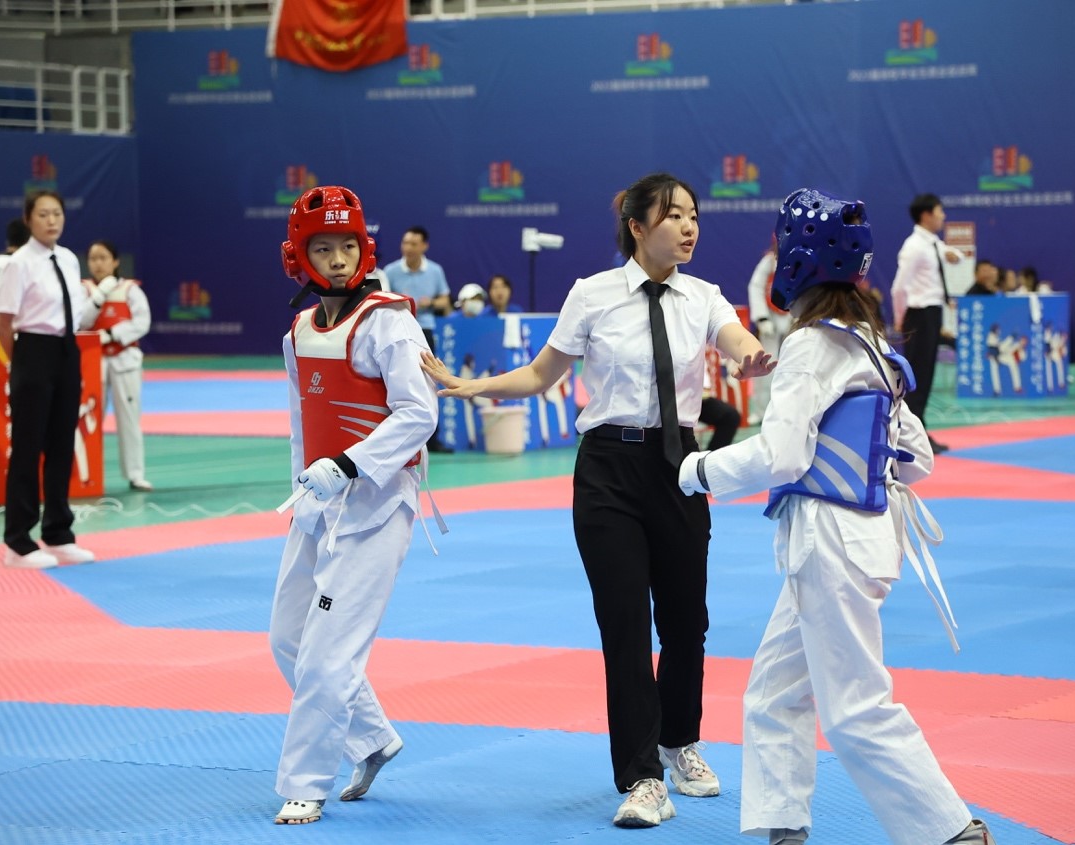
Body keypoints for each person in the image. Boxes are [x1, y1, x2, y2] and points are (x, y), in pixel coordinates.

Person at [422, 173, 773, 828]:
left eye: (694, 215)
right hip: (608, 470)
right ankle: (641, 777)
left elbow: (736, 341)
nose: (689, 227)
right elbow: (541, 373)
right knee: (624, 625)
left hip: (679, 467)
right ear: (637, 227)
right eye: (673, 216)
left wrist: (754, 356)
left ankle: (678, 741)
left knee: (686, 623)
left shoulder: (704, 296)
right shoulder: (592, 294)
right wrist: (473, 387)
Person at [677, 188, 995, 845]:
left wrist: (695, 470)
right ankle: (783, 827)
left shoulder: (811, 345)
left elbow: (782, 455)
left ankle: (952, 833)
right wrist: (855, 461)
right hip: (867, 537)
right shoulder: (871, 344)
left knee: (853, 706)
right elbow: (916, 459)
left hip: (832, 543)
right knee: (773, 693)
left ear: (795, 261)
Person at [268, 185, 438, 826]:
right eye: (323, 249)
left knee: (328, 651)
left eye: (347, 246)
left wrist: (347, 466)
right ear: (299, 256)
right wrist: (304, 489)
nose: (337, 260)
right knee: (287, 637)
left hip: (377, 505)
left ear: (364, 248)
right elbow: (301, 422)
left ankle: (305, 783)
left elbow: (419, 412)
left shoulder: (388, 321)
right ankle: (371, 739)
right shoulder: (299, 330)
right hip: (317, 501)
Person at [0, 190, 95, 571]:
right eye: (43, 214)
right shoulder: (19, 263)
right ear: (28, 219)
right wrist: (21, 363)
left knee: (61, 444)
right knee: (27, 446)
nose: (51, 221)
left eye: (57, 214)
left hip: (67, 351)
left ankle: (58, 532)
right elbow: (4, 321)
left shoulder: (68, 259)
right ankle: (18, 542)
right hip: (32, 350)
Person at [80, 239, 154, 491]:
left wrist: (112, 334)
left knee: (129, 418)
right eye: (93, 259)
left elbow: (142, 322)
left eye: (103, 258)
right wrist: (99, 296)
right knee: (87, 420)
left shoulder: (130, 289)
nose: (98, 264)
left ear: (115, 261)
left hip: (125, 359)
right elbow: (80, 321)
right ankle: (85, 475)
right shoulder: (84, 290)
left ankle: (135, 474)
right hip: (92, 362)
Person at [890, 193, 961, 454]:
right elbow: (899, 288)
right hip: (918, 314)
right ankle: (910, 435)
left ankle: (918, 431)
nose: (943, 216)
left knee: (927, 374)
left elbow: (951, 254)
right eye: (940, 211)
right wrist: (900, 318)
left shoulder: (932, 243)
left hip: (931, 312)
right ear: (926, 215)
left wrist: (952, 254)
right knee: (918, 376)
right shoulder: (914, 247)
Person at [384, 225, 453, 453]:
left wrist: (430, 303)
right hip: (397, 332)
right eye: (405, 243)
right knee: (396, 382)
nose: (408, 248)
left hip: (425, 331)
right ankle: (397, 438)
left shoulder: (435, 270)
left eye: (413, 244)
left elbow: (445, 301)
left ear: (424, 246)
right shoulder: (391, 271)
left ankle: (432, 440)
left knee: (429, 382)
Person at [746, 234, 789, 424]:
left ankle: (785, 409)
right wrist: (762, 318)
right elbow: (756, 287)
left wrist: (799, 317)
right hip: (770, 320)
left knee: (791, 365)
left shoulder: (798, 261)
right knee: (766, 365)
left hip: (791, 319)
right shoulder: (768, 263)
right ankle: (761, 409)